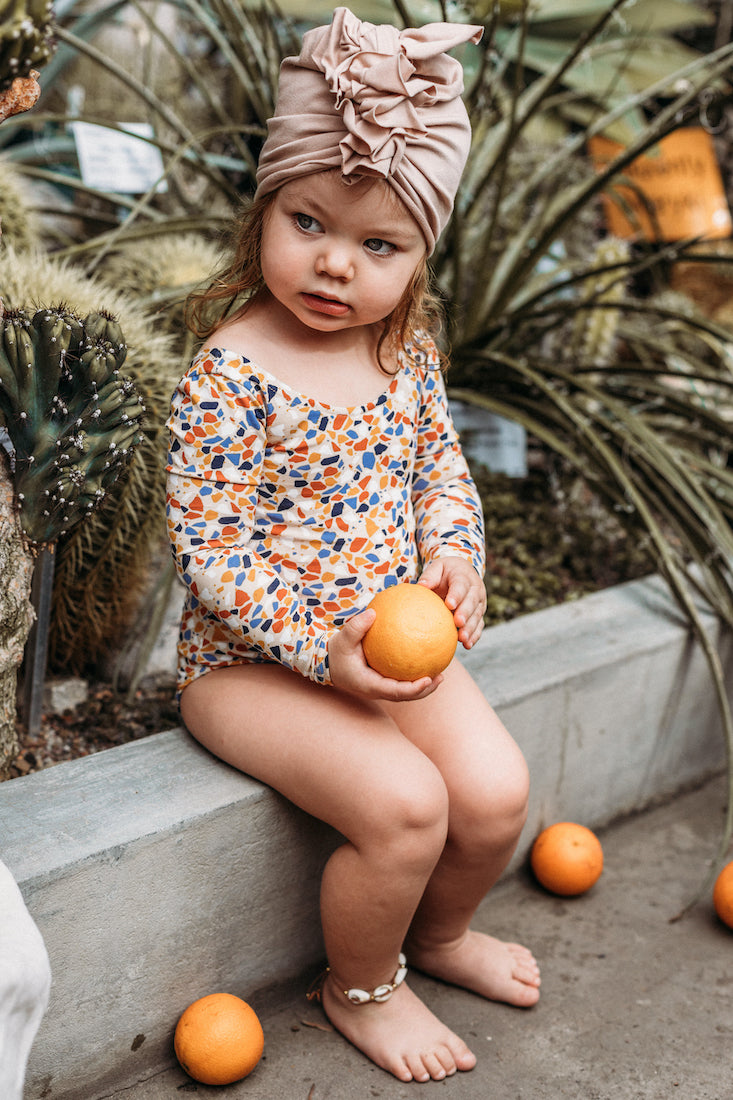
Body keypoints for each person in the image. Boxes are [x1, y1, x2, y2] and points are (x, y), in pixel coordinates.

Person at [166, 7, 540, 1084]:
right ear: (266, 208)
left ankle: (440, 935)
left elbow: (439, 472)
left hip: (387, 643)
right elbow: (215, 553)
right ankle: (361, 986)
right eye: (309, 223)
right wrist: (316, 645)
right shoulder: (232, 372)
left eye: (377, 245)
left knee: (494, 790)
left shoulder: (402, 350)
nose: (336, 265)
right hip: (250, 664)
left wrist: (456, 557)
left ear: (419, 255)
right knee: (408, 806)